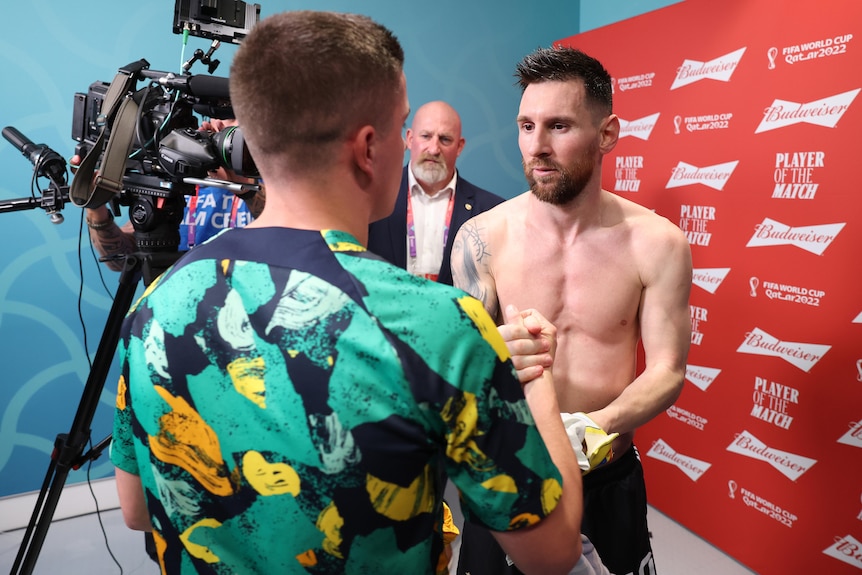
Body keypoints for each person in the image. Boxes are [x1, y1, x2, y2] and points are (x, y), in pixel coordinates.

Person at [109, 11, 599, 575]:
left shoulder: (157, 304)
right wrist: (533, 380)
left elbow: (136, 507)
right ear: (370, 147)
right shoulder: (438, 327)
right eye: (402, 128)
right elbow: (554, 553)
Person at [451, 46, 693, 575]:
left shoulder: (658, 243)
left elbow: (668, 369)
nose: (536, 147)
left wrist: (596, 427)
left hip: (607, 477)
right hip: (509, 470)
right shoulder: (481, 239)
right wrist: (493, 361)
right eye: (525, 125)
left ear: (607, 133)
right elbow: (459, 371)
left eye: (558, 126)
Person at [82, 118, 263, 272]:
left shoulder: (275, 185)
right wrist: (96, 206)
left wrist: (243, 186)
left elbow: (289, 237)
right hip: (181, 305)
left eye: (232, 119)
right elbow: (120, 260)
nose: (218, 126)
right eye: (214, 119)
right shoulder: (173, 180)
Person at [367, 100, 504, 285]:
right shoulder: (371, 196)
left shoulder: (491, 211)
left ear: (460, 146)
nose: (433, 149)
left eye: (445, 139)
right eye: (426, 136)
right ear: (409, 139)